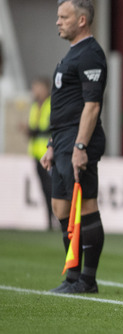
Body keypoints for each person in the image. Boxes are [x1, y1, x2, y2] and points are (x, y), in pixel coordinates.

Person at [40, 0, 107, 294]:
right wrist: (53, 143)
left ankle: (86, 280)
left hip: (81, 140)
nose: (58, 22)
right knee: (59, 207)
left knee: (87, 205)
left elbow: (91, 106)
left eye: (63, 17)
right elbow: (64, 105)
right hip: (64, 139)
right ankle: (72, 277)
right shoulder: (72, 54)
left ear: (81, 20)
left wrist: (80, 147)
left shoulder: (91, 54)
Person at [26, 77, 53, 230]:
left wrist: (33, 131)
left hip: (48, 154)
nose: (34, 91)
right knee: (44, 188)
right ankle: (49, 220)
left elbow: (50, 128)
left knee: (51, 187)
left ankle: (56, 218)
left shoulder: (51, 105)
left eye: (36, 87)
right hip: (36, 153)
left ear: (44, 88)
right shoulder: (35, 106)